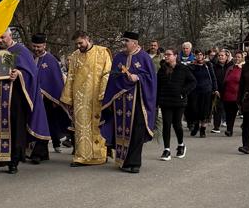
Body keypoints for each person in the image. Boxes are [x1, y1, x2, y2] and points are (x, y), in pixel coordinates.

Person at [0, 29, 39, 173]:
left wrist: (19, 74)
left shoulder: (21, 51)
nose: (0, 40)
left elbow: (31, 74)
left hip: (13, 99)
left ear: (10, 36)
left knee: (14, 128)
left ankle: (13, 162)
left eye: (3, 37)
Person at [100, 30, 157, 173]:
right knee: (120, 130)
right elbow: (112, 79)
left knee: (136, 131)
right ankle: (123, 161)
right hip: (120, 102)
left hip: (138, 102)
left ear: (135, 43)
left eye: (126, 41)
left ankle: (134, 163)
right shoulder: (119, 57)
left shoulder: (144, 58)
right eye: (123, 41)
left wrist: (138, 78)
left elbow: (151, 79)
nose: (124, 43)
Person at [62, 32, 111, 166]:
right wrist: (67, 98)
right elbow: (71, 76)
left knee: (97, 125)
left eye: (80, 43)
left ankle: (100, 155)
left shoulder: (102, 52)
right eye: (76, 44)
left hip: (96, 97)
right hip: (80, 98)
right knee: (81, 128)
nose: (79, 46)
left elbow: (107, 73)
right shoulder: (75, 55)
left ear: (87, 39)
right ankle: (82, 157)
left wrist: (103, 93)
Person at [27, 32, 70, 160]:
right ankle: (37, 152)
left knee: (43, 125)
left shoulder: (51, 60)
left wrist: (54, 99)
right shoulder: (29, 58)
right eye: (34, 46)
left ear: (44, 45)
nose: (36, 49)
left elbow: (56, 81)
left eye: (39, 46)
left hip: (46, 102)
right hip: (31, 99)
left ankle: (39, 153)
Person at [155, 48, 194, 160]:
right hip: (165, 101)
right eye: (165, 54)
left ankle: (181, 145)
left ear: (175, 56)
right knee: (166, 124)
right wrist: (157, 102)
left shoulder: (183, 68)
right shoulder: (162, 70)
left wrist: (183, 92)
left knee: (177, 124)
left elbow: (193, 82)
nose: (166, 56)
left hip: (179, 102)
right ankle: (166, 149)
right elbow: (158, 86)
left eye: (169, 54)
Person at [187, 51, 214, 138]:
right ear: (195, 56)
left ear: (203, 56)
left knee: (205, 111)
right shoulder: (191, 66)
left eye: (200, 54)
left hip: (207, 91)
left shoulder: (208, 65)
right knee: (195, 110)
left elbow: (213, 77)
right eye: (197, 55)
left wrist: (215, 89)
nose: (199, 56)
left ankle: (203, 130)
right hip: (195, 92)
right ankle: (196, 126)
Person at [220, 51, 243, 137]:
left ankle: (243, 127)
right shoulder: (230, 68)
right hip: (227, 94)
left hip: (237, 95)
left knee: (234, 113)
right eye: (236, 57)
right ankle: (229, 129)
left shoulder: (243, 68)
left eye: (239, 57)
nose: (237, 58)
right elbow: (225, 80)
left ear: (242, 58)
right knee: (228, 113)